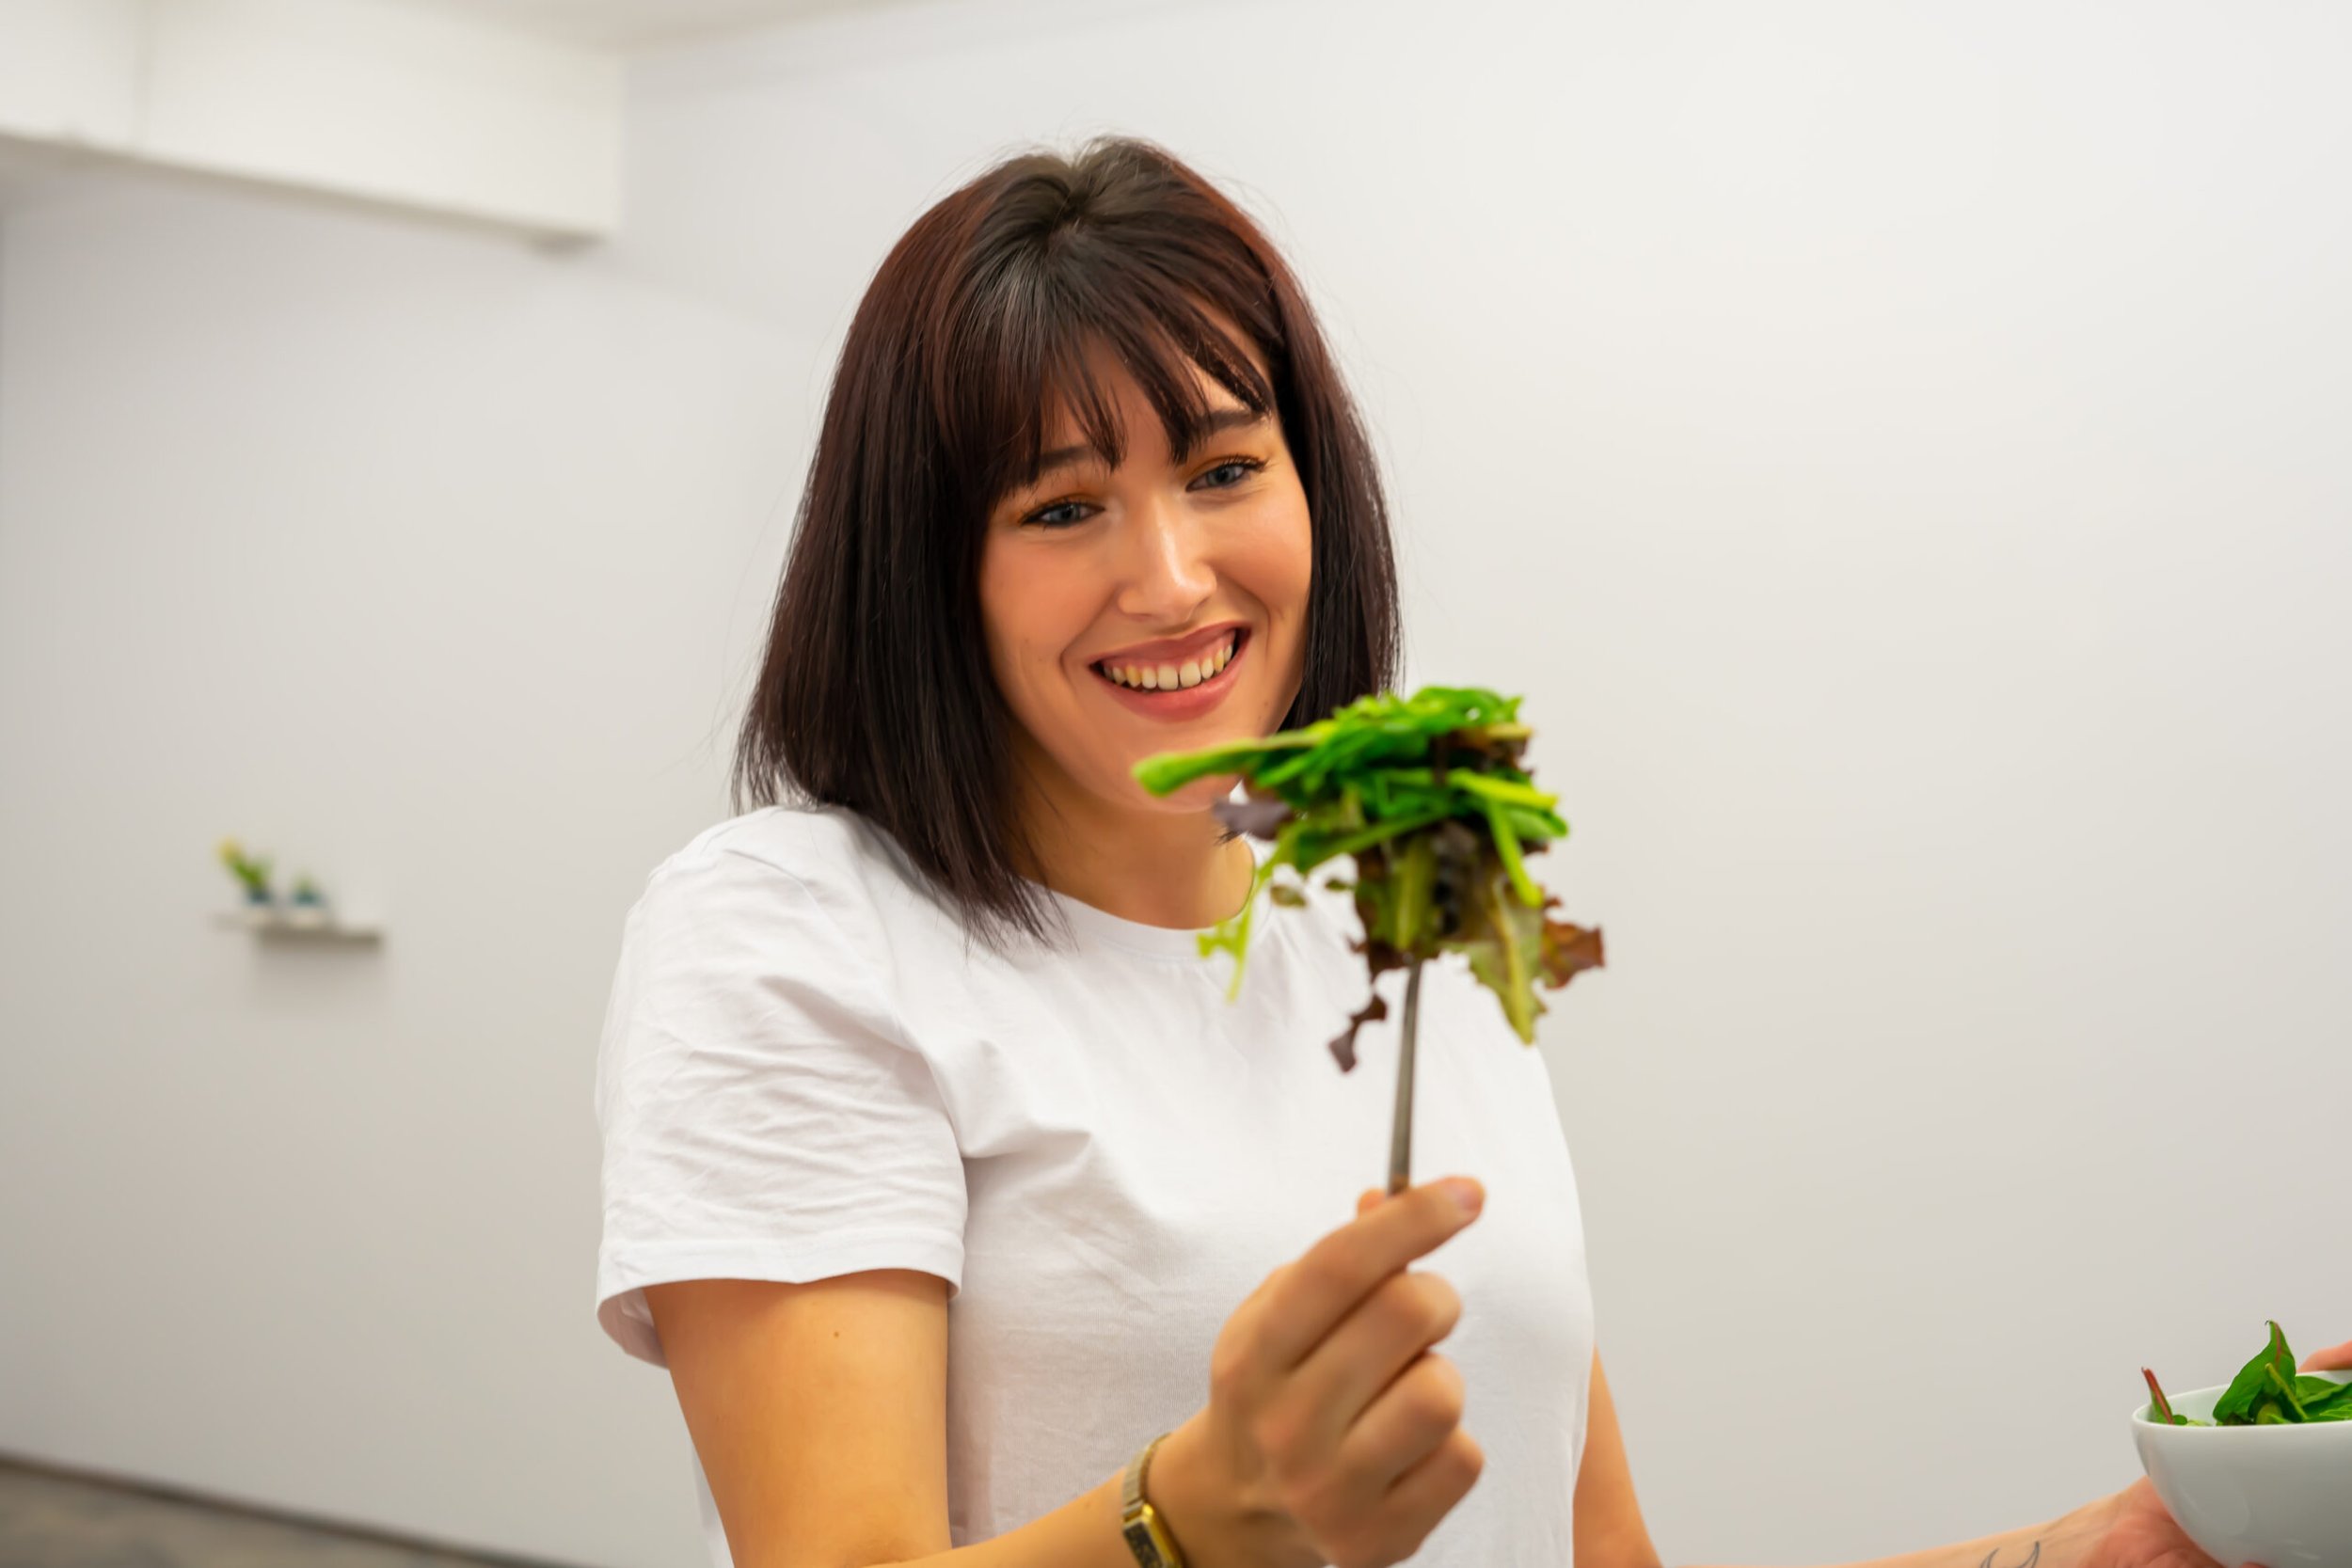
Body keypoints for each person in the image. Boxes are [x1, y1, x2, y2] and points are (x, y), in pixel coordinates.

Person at [592, 135, 2350, 1568]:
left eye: (1222, 466)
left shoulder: (1408, 931)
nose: (1173, 577)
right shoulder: (795, 934)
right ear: (928, 575)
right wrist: (1185, 1527)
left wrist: (2089, 1550)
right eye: (1062, 508)